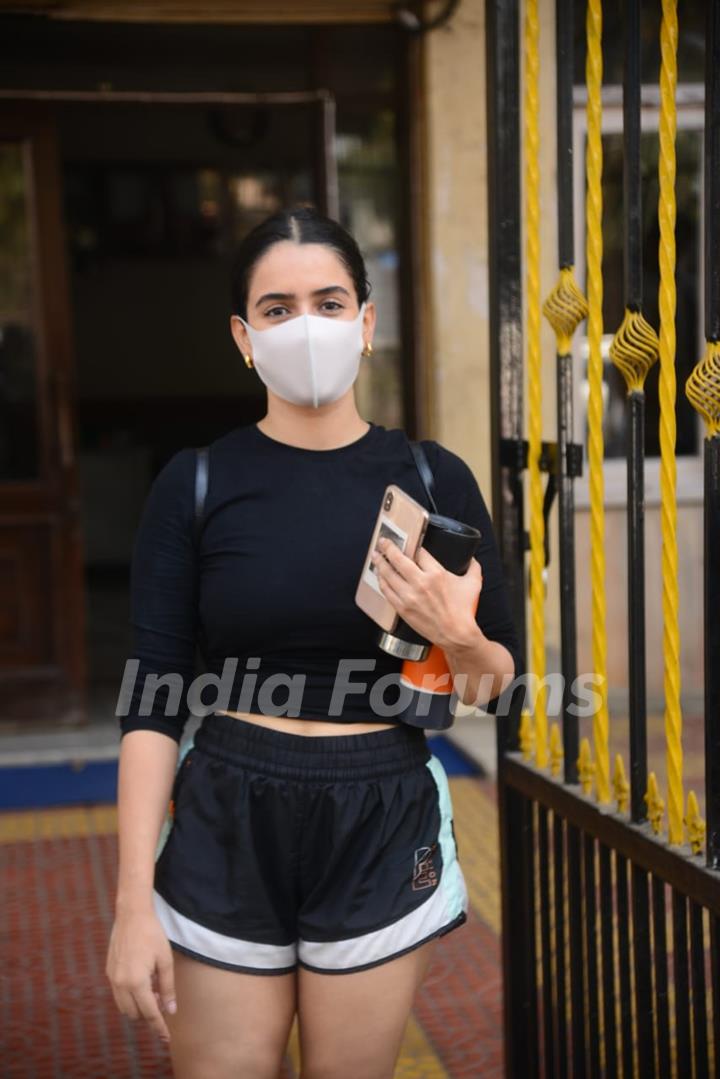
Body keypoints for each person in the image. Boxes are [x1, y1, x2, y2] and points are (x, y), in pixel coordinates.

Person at [105, 205, 522, 1079]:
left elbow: (495, 687)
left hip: (379, 810)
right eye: (278, 307)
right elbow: (152, 697)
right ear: (243, 335)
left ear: (367, 323)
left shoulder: (433, 478)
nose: (307, 326)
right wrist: (131, 902)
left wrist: (459, 635)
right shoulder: (197, 483)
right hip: (227, 807)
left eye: (330, 303)